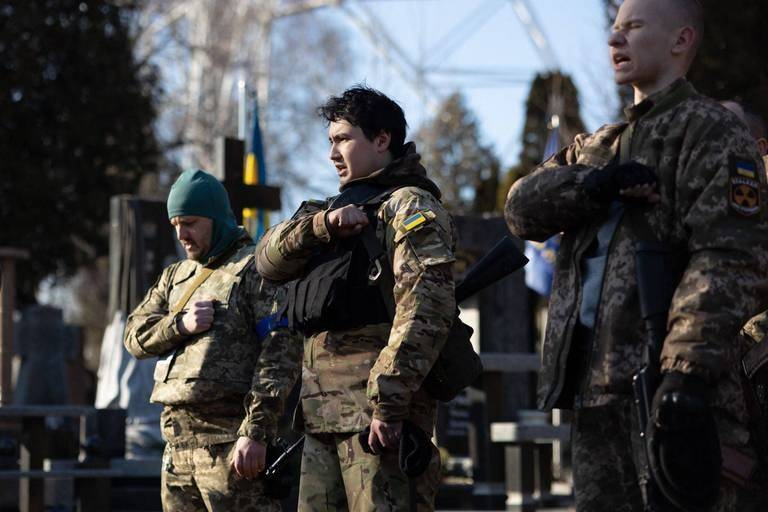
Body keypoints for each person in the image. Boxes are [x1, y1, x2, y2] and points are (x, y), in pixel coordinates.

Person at [504, 0, 768, 510]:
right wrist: (595, 185)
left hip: (673, 393)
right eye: (613, 28)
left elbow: (728, 259)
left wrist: (683, 374)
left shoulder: (710, 131)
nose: (614, 39)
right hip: (594, 391)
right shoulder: (598, 146)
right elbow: (521, 210)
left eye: (634, 27)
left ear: (681, 40)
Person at [256, 86, 455, 511]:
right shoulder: (324, 211)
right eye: (330, 141)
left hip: (377, 420)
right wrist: (322, 226)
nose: (332, 153)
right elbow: (266, 261)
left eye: (343, 139)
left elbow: (426, 307)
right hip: (319, 418)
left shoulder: (408, 205)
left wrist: (389, 399)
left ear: (382, 140)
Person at [124, 169, 301, 512]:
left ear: (216, 218)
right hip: (176, 448)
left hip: (231, 447)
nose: (182, 235)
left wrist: (257, 432)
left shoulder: (255, 268)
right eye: (176, 225)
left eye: (189, 223)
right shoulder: (175, 276)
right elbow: (134, 336)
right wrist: (179, 325)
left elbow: (281, 351)